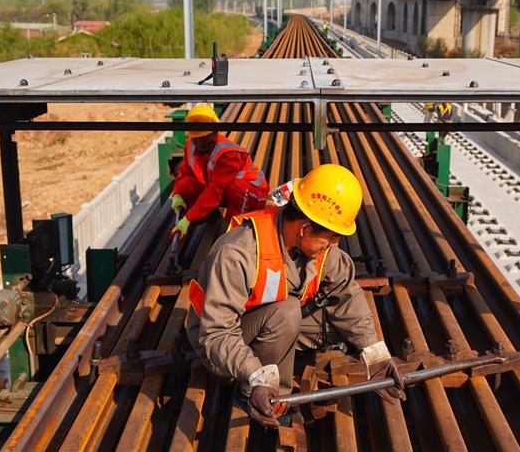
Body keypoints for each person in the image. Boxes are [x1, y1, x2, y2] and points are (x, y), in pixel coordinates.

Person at [185, 164, 406, 427]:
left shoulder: (319, 246)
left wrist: (374, 353)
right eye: (331, 237)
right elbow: (217, 332)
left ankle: (272, 361)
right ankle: (256, 396)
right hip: (217, 344)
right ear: (304, 229)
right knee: (288, 311)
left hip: (261, 324)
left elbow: (346, 294)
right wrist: (255, 376)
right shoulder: (239, 253)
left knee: (337, 324)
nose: (334, 245)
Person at [170, 104, 268, 238]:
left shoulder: (228, 154)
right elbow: (184, 173)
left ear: (215, 133)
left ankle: (235, 232)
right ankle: (208, 215)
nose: (199, 142)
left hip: (253, 194)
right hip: (225, 193)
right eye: (196, 137)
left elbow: (214, 191)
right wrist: (177, 194)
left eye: (204, 137)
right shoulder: (191, 146)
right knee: (187, 183)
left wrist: (188, 219)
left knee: (235, 188)